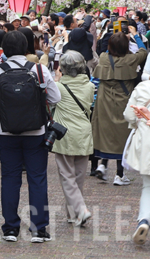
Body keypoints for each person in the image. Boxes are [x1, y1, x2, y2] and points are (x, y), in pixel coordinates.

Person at [0, 30, 60, 243]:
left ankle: (10, 228)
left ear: (4, 49)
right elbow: (55, 98)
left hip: (4, 131)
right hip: (36, 132)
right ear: (26, 47)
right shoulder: (39, 70)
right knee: (37, 178)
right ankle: (39, 229)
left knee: (10, 178)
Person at [91, 30, 147, 184]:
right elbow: (143, 51)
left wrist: (112, 35)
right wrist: (135, 35)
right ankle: (119, 174)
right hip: (123, 101)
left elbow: (104, 47)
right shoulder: (131, 59)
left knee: (106, 133)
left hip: (104, 101)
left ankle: (103, 165)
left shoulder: (104, 58)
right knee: (122, 136)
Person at [51, 50, 95, 227]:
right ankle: (73, 214)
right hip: (84, 133)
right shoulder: (90, 86)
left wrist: (56, 79)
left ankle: (81, 210)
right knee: (79, 176)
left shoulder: (58, 87)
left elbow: (51, 103)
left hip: (65, 134)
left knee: (67, 176)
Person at [123, 75, 150, 244]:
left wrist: (138, 122)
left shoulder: (142, 87)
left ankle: (144, 220)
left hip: (146, 141)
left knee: (148, 185)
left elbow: (128, 115)